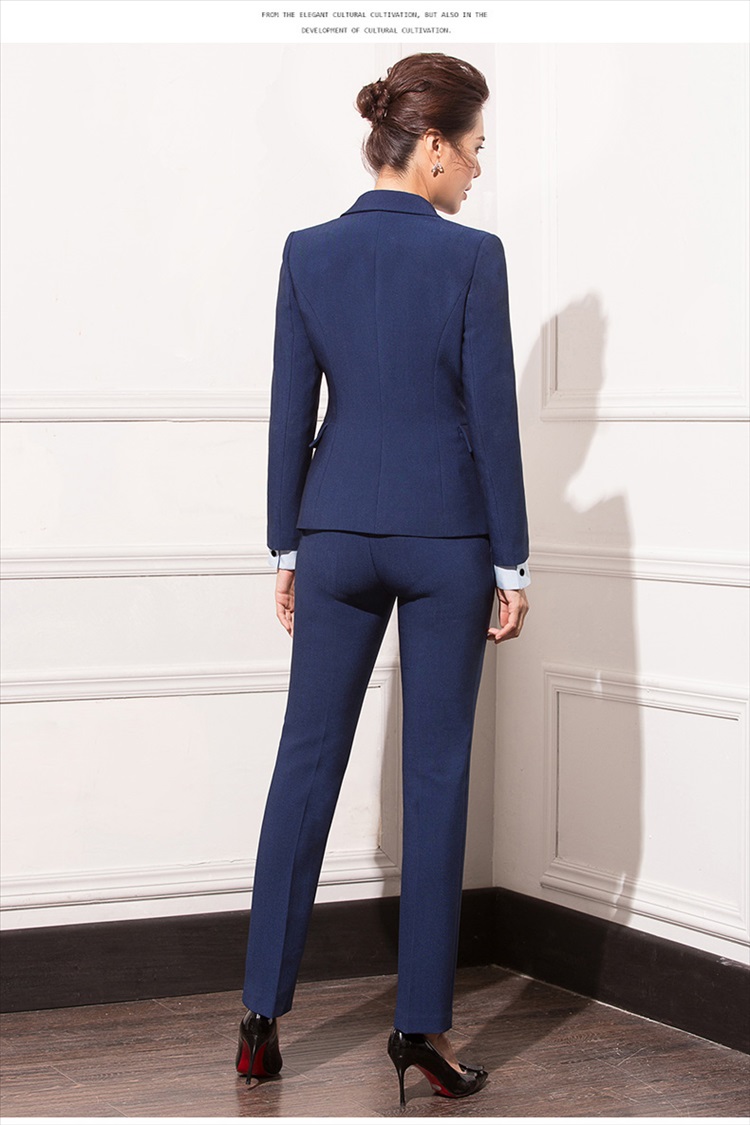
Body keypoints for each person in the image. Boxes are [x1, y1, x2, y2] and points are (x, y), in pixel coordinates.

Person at [236, 52, 530, 1109]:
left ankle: (259, 1021)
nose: (480, 170)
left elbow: (291, 410)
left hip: (334, 533)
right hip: (447, 537)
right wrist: (512, 559)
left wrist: (286, 547)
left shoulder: (307, 252)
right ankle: (421, 1032)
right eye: (477, 149)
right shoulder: (473, 258)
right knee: (437, 774)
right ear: (435, 146)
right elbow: (493, 418)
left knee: (304, 762)